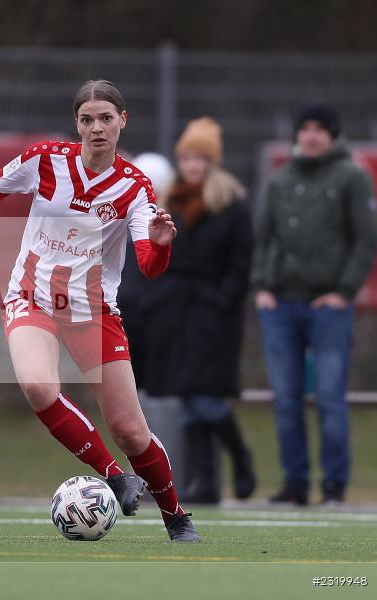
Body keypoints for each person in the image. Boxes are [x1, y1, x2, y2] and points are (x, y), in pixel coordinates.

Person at [0, 80, 201, 542]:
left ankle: (176, 517)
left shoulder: (134, 188)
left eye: (106, 118)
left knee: (130, 430)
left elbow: (149, 266)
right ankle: (113, 474)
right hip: (31, 297)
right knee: (37, 385)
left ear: (122, 121)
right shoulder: (45, 159)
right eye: (87, 119)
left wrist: (164, 246)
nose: (96, 128)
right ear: (77, 124)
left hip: (94, 311)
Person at [251, 104, 377, 505]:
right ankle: (294, 485)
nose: (310, 135)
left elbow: (367, 240)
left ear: (332, 134)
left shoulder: (352, 176)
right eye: (304, 128)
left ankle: (335, 487)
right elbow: (263, 237)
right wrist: (261, 286)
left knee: (328, 398)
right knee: (286, 401)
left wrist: (343, 291)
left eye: (319, 129)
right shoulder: (280, 179)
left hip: (328, 309)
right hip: (281, 307)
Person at [136, 118, 255, 504]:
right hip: (176, 312)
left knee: (204, 396)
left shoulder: (231, 205)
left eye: (200, 157)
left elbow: (241, 261)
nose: (192, 164)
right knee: (186, 395)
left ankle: (240, 458)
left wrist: (222, 301)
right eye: (186, 156)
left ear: (212, 162)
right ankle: (204, 482)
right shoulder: (169, 201)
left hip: (213, 315)